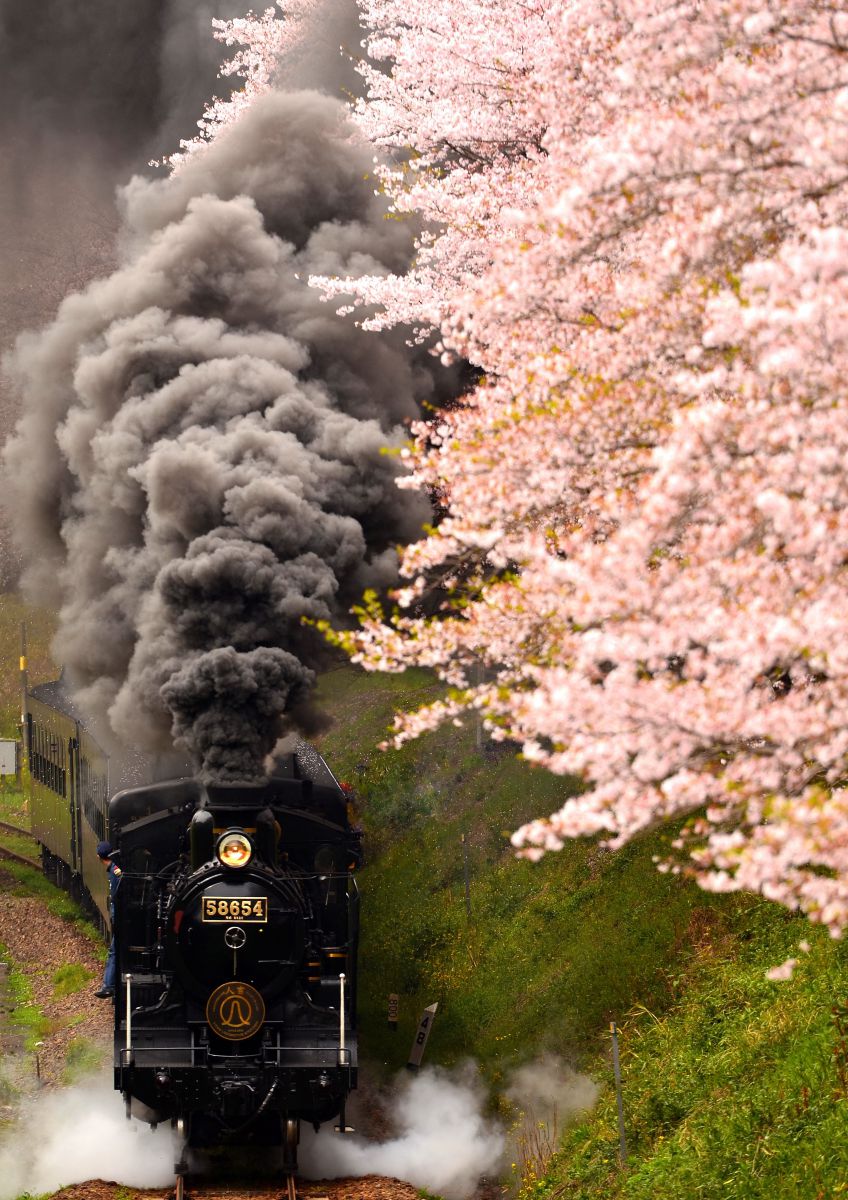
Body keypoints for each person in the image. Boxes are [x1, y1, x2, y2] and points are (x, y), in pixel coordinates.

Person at [94, 840, 122, 999]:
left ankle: (108, 985)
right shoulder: (114, 869)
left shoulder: (115, 871)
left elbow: (118, 894)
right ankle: (109, 984)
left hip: (119, 914)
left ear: (99, 856)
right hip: (117, 913)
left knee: (114, 950)